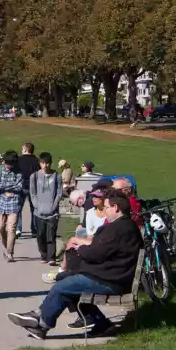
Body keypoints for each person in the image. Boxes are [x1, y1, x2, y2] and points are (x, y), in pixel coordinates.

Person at [8, 189, 141, 339]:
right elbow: (101, 251)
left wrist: (81, 248)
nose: (105, 211)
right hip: (113, 276)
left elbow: (96, 254)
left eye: (107, 207)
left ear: (116, 208)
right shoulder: (123, 226)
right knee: (65, 280)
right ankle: (101, 325)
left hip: (112, 281)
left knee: (62, 287)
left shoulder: (118, 229)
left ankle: (41, 323)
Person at [30, 152, 63, 264]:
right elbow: (32, 193)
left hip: (52, 212)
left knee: (51, 235)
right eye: (43, 163)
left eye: (47, 163)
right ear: (40, 163)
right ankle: (43, 255)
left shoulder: (57, 176)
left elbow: (59, 193)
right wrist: (37, 205)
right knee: (40, 235)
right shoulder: (34, 176)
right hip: (39, 212)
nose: (45, 165)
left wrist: (54, 206)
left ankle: (51, 257)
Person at [0, 150, 24, 261]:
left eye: (11, 163)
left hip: (14, 203)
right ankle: (5, 246)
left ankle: (10, 252)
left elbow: (19, 187)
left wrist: (5, 187)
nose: (9, 165)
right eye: (7, 163)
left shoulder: (19, 171)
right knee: (0, 228)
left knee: (11, 229)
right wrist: (11, 186)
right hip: (0, 203)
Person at [17, 142, 40, 236]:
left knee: (18, 208)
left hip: (21, 186)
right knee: (34, 208)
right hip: (33, 186)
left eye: (22, 149)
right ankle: (34, 229)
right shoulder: (37, 161)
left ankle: (18, 228)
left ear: (26, 149)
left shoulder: (19, 160)